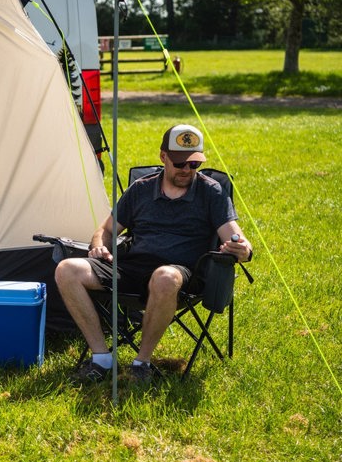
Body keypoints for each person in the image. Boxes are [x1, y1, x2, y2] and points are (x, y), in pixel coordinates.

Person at [54, 124, 253, 384]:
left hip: (180, 275)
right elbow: (106, 230)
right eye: (180, 163)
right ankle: (101, 358)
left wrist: (242, 250)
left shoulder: (211, 191)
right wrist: (99, 245)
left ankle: (141, 364)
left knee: (165, 276)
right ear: (163, 157)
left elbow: (237, 239)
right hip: (131, 267)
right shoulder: (141, 189)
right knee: (67, 269)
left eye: (194, 164)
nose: (187, 171)